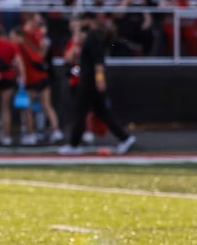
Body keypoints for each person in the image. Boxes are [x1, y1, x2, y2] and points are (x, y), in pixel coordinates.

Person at [58, 14, 137, 155]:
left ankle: (74, 144)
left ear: (88, 21)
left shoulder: (94, 36)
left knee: (80, 112)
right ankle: (125, 138)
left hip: (90, 81)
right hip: (90, 80)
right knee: (101, 113)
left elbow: (98, 61)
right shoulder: (92, 36)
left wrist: (100, 79)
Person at [17, 13, 62, 145]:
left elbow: (41, 54)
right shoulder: (26, 34)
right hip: (34, 74)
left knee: (42, 105)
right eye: (37, 20)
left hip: (36, 75)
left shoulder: (36, 34)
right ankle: (34, 133)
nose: (39, 23)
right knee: (32, 106)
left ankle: (51, 131)